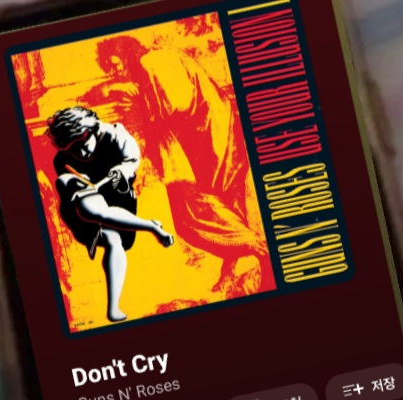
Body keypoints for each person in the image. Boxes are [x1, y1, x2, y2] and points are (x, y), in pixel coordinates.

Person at [88, 34, 270, 296]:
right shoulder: (156, 61)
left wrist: (138, 105)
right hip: (215, 133)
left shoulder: (152, 62)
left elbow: (176, 104)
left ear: (126, 54)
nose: (115, 71)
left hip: (211, 139)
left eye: (115, 64)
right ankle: (236, 268)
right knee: (225, 207)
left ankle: (258, 247)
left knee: (191, 215)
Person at [46, 105, 175, 324]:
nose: (81, 153)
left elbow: (132, 159)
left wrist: (121, 171)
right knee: (91, 212)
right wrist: (83, 185)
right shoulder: (62, 161)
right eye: (73, 149)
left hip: (119, 199)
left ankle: (114, 307)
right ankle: (151, 226)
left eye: (83, 145)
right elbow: (74, 185)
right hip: (83, 210)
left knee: (116, 240)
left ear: (92, 130)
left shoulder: (115, 135)